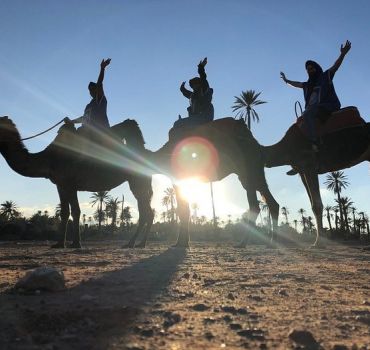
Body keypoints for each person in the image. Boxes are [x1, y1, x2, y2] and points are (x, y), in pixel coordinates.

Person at [280, 40, 351, 151]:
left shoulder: (325, 76)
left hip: (327, 106)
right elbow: (297, 84)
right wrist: (286, 80)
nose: (310, 70)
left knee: (308, 114)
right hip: (312, 109)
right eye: (308, 69)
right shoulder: (307, 85)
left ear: (316, 68)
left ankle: (314, 141)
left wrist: (343, 54)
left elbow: (335, 66)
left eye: (312, 68)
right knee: (301, 120)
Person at [65, 58, 111, 136]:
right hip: (87, 133)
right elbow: (84, 118)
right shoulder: (88, 106)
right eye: (90, 90)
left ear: (97, 89)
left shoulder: (100, 99)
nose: (91, 91)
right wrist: (71, 122)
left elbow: (99, 82)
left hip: (101, 133)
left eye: (93, 89)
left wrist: (102, 68)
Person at [177, 57, 214, 126]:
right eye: (191, 86)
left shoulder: (204, 89)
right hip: (196, 117)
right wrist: (182, 88)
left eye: (194, 85)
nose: (193, 87)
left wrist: (201, 67)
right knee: (179, 124)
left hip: (204, 116)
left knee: (178, 124)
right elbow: (187, 93)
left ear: (198, 84)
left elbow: (203, 78)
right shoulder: (194, 95)